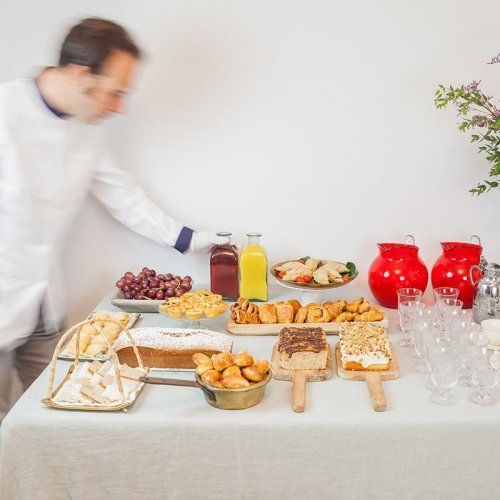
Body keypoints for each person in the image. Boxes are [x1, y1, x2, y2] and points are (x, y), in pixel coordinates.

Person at [0, 17, 225, 421]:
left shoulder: (87, 129)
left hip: (42, 306)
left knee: (61, 417)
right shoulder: (5, 111)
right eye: (115, 93)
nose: (120, 108)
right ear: (80, 74)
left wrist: (190, 239)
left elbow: (122, 196)